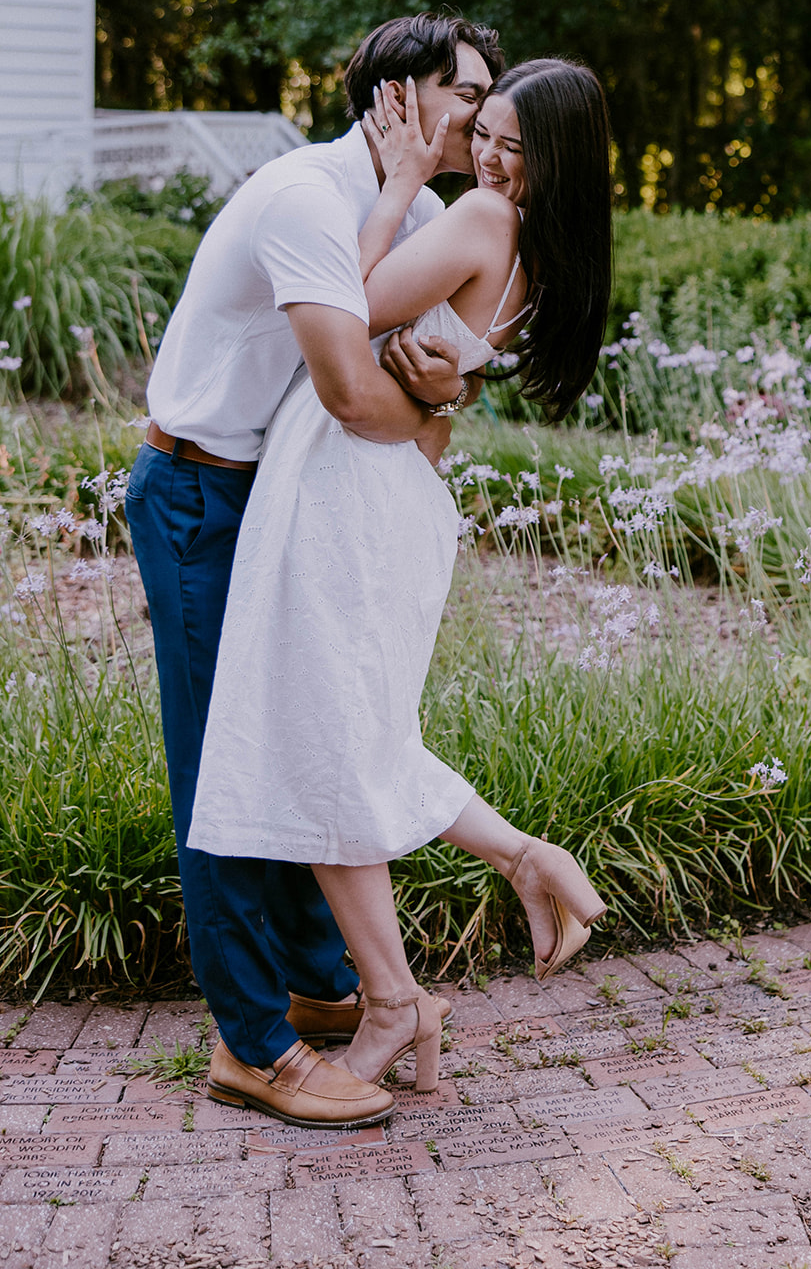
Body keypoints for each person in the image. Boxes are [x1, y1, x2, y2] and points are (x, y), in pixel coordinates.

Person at [187, 58, 613, 1103]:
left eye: (516, 146)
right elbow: (426, 349)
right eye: (488, 134)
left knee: (334, 741)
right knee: (355, 733)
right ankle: (517, 869)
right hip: (384, 491)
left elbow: (350, 298)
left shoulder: (477, 218)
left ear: (553, 161)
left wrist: (388, 190)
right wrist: (449, 382)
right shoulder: (539, 247)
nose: (491, 157)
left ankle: (391, 999)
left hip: (348, 492)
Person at [125, 11, 505, 1131]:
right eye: (467, 93)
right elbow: (357, 394)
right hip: (199, 494)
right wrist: (439, 391)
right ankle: (252, 1047)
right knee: (224, 772)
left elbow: (424, 423)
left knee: (293, 736)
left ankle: (320, 985)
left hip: (279, 500)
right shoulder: (304, 198)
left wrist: (438, 397)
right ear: (397, 98)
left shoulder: (423, 215)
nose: (483, 117)